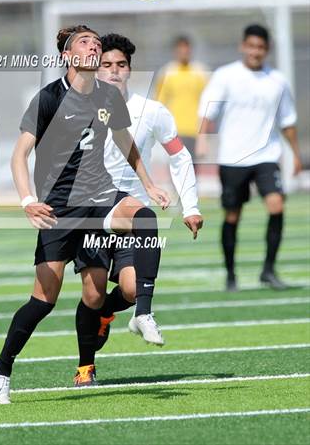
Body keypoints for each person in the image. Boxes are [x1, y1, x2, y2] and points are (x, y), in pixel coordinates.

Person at [0, 25, 171, 404]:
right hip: (61, 209)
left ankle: (143, 313)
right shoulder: (48, 99)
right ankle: (2, 368)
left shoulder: (108, 95)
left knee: (145, 218)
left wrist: (149, 184)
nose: (93, 47)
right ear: (68, 57)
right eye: (85, 43)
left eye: (96, 43)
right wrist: (26, 201)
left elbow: (126, 143)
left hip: (101, 196)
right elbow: (19, 155)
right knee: (43, 300)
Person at [73, 33, 203, 386]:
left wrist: (189, 205)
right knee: (93, 293)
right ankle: (86, 365)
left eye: (121, 65)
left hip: (133, 214)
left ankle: (128, 314)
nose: (114, 72)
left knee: (130, 291)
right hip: (91, 211)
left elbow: (179, 156)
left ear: (130, 69)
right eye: (106, 65)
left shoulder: (152, 111)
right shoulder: (78, 106)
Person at [196, 24, 302, 292]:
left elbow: (287, 120)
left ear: (267, 50)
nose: (256, 52)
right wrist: (202, 138)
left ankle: (268, 270)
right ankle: (231, 275)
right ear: (243, 46)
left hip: (267, 156)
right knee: (233, 215)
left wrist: (296, 155)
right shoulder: (226, 76)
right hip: (233, 157)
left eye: (261, 47)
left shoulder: (277, 80)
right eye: (252, 46)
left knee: (276, 205)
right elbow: (208, 109)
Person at [155, 35, 207, 156]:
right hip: (173, 131)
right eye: (180, 49)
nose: (184, 52)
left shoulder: (201, 72)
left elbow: (207, 102)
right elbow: (159, 102)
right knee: (175, 169)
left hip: (195, 131)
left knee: (192, 170)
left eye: (186, 49)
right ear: (175, 51)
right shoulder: (166, 72)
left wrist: (204, 135)